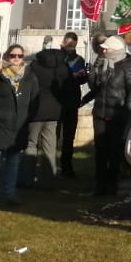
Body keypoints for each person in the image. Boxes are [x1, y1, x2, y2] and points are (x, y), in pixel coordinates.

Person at [89, 35, 131, 196]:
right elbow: (93, 86)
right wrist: (94, 70)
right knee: (100, 150)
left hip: (117, 113)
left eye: (107, 48)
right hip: (100, 111)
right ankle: (100, 184)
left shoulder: (126, 65)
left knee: (114, 151)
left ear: (115, 50)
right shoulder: (102, 62)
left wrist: (127, 109)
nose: (103, 50)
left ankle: (112, 184)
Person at [0, 45, 35, 207]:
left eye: (20, 56)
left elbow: (34, 100)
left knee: (13, 163)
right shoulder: (0, 74)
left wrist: (27, 119)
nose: (16, 59)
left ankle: (10, 194)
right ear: (7, 56)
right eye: (13, 55)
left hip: (18, 126)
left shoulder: (29, 77)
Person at [25, 42, 70, 187]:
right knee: (49, 145)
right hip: (55, 110)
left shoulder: (34, 67)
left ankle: (27, 177)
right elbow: (67, 87)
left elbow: (27, 86)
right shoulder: (63, 68)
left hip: (36, 108)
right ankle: (48, 179)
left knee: (31, 143)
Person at [57, 31, 88, 177]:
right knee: (53, 135)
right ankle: (50, 165)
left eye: (73, 45)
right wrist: (71, 76)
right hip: (57, 100)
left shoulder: (78, 59)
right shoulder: (57, 58)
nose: (70, 47)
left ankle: (66, 166)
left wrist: (83, 76)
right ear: (63, 42)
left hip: (71, 101)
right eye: (69, 44)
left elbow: (82, 80)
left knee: (69, 137)